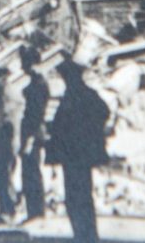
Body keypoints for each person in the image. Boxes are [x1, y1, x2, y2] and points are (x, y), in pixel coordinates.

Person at [47, 55, 109, 243]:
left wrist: (86, 134)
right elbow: (104, 113)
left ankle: (84, 235)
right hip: (80, 155)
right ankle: (85, 234)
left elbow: (101, 114)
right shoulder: (87, 95)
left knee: (76, 197)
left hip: (75, 156)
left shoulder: (75, 97)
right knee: (81, 196)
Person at [19, 45, 49, 221]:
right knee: (29, 171)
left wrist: (29, 139)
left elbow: (36, 114)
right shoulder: (36, 82)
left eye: (24, 63)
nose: (22, 67)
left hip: (33, 132)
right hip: (32, 131)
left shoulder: (38, 85)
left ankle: (36, 211)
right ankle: (34, 210)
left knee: (31, 171)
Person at [0, 66, 21, 219]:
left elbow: (9, 121)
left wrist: (12, 142)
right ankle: (5, 208)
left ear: (2, 79)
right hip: (0, 140)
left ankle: (8, 209)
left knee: (2, 174)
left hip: (6, 140)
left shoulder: (9, 97)